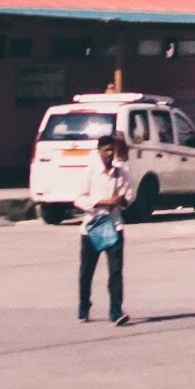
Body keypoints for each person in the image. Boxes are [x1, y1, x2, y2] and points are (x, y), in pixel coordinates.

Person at [76, 133, 133, 325]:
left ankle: (116, 311)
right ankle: (84, 307)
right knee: (87, 271)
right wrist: (101, 202)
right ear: (99, 151)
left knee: (115, 271)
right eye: (106, 150)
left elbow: (129, 196)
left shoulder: (121, 172)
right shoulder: (89, 172)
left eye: (112, 150)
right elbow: (79, 199)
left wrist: (120, 200)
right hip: (92, 228)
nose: (109, 154)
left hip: (114, 226)